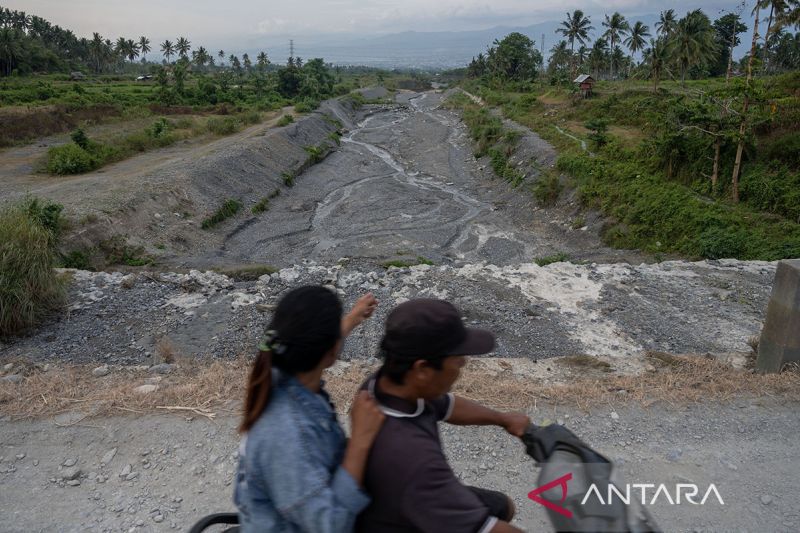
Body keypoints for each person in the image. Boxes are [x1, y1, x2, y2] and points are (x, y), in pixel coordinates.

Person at [357, 298, 530, 533]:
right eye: (457, 358)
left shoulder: (385, 383)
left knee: (502, 506)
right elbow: (486, 529)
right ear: (422, 369)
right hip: (408, 513)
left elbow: (445, 405)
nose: (464, 362)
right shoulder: (414, 459)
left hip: (397, 501)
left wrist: (502, 418)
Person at [234, 285, 385, 532]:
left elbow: (313, 345)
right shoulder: (288, 435)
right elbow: (332, 526)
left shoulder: (280, 367)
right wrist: (361, 440)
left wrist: (351, 319)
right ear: (331, 351)